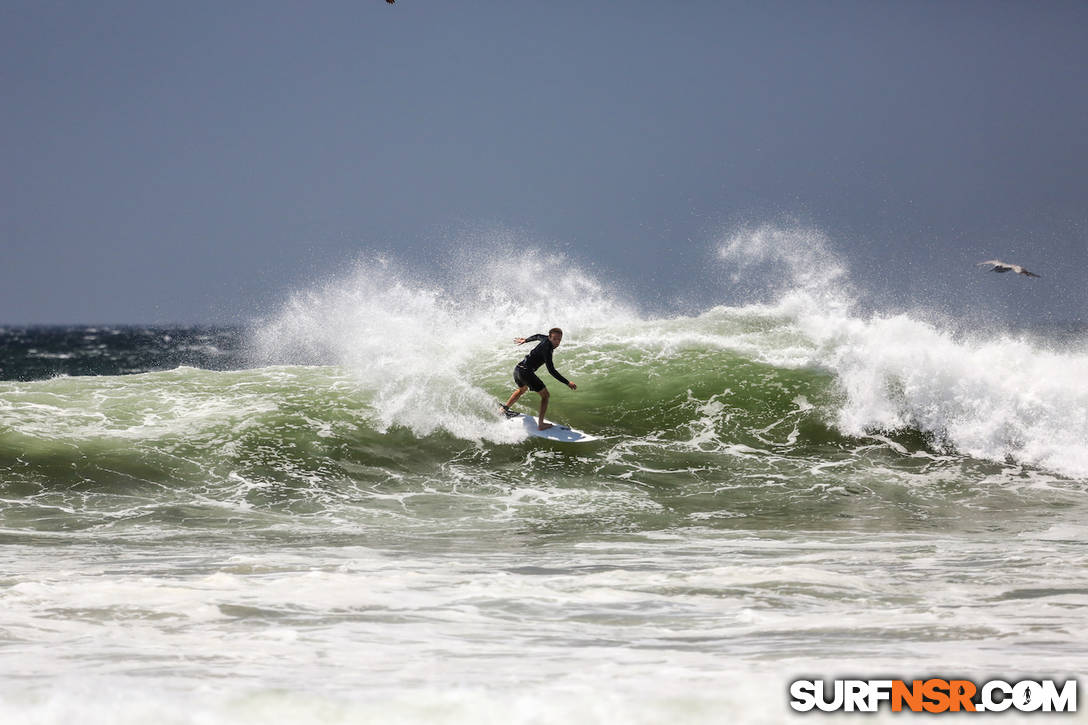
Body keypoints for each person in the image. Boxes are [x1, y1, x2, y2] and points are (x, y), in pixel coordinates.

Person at [501, 327, 577, 431]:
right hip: (526, 372)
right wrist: (567, 382)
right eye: (555, 339)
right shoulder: (548, 350)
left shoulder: (545, 338)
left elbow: (537, 336)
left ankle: (503, 409)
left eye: (559, 339)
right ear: (550, 337)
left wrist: (526, 340)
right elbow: (551, 371)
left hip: (518, 369)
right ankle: (541, 425)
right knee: (545, 396)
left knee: (522, 390)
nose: (557, 342)